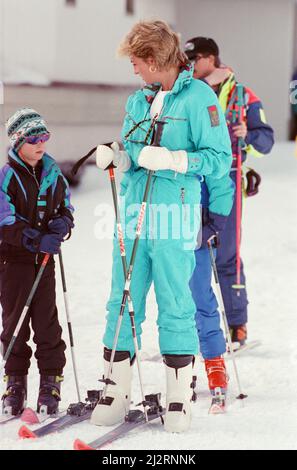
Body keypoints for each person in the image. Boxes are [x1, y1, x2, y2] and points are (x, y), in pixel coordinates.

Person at [91, 20, 232, 433]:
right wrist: (118, 157)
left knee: (175, 302)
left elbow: (219, 159)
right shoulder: (138, 101)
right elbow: (133, 151)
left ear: (153, 60)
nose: (134, 70)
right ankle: (114, 390)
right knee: (121, 299)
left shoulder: (199, 98)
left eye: (136, 62)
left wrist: (176, 160)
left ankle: (178, 396)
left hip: (175, 216)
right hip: (135, 215)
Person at [184, 37, 274, 393]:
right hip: (195, 180)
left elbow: (266, 140)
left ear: (210, 58)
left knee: (226, 253)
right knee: (193, 252)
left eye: (194, 59)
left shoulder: (243, 95)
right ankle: (198, 328)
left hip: (231, 178)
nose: (189, 65)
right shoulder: (189, 92)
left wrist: (247, 133)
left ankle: (237, 324)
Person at [0, 108, 74, 416]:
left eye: (44, 136)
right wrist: (32, 238)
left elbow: (66, 207)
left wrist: (62, 224)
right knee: (16, 321)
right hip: (14, 259)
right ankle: (15, 381)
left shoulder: (53, 173)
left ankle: (50, 381)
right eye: (33, 138)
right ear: (18, 142)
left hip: (44, 260)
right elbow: (4, 220)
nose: (40, 143)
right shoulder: (7, 176)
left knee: (47, 321)